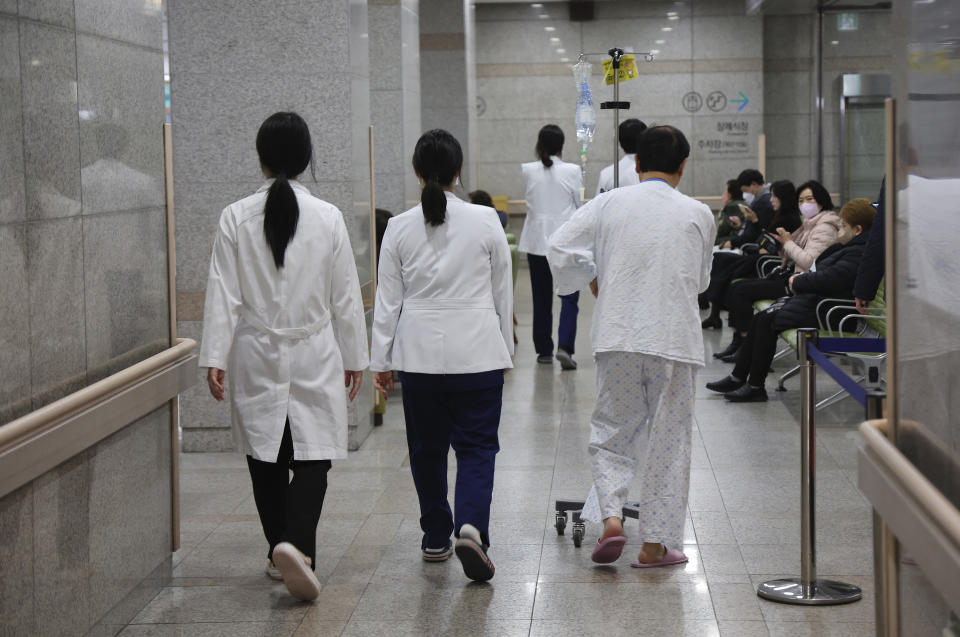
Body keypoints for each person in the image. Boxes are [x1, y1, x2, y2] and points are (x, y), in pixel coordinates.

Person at [199, 112, 368, 601]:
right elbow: (346, 297)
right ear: (306, 160)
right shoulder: (329, 216)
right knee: (314, 455)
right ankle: (298, 548)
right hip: (315, 348)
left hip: (255, 349)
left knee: (264, 453)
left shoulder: (234, 216)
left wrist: (214, 355)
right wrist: (355, 356)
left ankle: (281, 548)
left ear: (261, 158)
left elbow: (222, 293)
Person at [548, 125, 715, 567]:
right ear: (683, 166)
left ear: (636, 164)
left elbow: (559, 245)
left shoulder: (607, 203)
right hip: (674, 340)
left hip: (618, 334)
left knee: (611, 433)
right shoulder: (698, 212)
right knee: (669, 440)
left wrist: (594, 275)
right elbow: (701, 280)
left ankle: (612, 519)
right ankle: (655, 546)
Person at [370, 129, 514, 582]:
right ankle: (470, 525)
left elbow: (387, 301)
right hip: (478, 353)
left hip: (418, 357)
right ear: (458, 171)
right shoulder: (487, 219)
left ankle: (436, 535)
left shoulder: (397, 227)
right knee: (476, 448)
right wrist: (505, 349)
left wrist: (381, 361)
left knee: (426, 450)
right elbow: (502, 293)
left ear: (416, 172)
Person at [705, 198, 876, 402]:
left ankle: (754, 385)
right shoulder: (851, 247)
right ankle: (739, 377)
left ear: (857, 230)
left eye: (844, 226)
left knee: (767, 320)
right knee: (762, 318)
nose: (839, 231)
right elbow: (825, 272)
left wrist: (799, 281)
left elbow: (831, 277)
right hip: (820, 303)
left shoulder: (858, 251)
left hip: (831, 311)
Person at [714, 180, 839, 361]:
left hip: (800, 283)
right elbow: (790, 253)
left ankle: (743, 346)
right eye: (801, 200)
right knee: (736, 286)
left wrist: (787, 243)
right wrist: (784, 244)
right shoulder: (808, 224)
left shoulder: (824, 227)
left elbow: (809, 262)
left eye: (809, 199)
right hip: (789, 275)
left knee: (740, 289)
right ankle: (738, 342)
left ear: (821, 200)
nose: (805, 204)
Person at [519, 124, 583, 370]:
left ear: (539, 145)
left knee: (541, 299)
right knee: (569, 296)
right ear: (562, 146)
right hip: (565, 243)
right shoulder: (573, 171)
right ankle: (565, 346)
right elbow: (579, 204)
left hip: (537, 243)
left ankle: (544, 349)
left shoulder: (528, 170)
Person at [701, 179, 802, 330]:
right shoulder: (778, 215)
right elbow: (763, 239)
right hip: (760, 256)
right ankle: (715, 313)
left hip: (767, 261)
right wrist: (754, 222)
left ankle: (718, 315)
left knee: (728, 271)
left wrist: (756, 227)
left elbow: (769, 244)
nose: (771, 200)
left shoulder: (788, 219)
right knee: (720, 260)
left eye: (775, 196)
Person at [595, 118, 647, 196]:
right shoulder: (657, 172)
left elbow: (599, 204)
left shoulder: (607, 173)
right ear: (646, 140)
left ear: (619, 142)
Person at [715, 179, 746, 246]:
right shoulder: (745, 204)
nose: (724, 193)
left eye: (726, 191)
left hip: (734, 238)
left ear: (730, 193)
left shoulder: (731, 206)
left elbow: (723, 229)